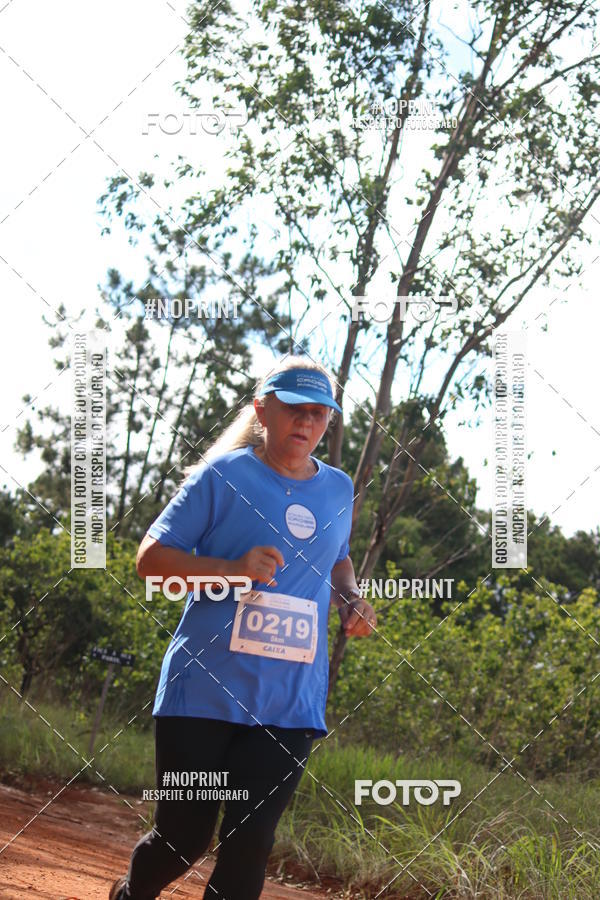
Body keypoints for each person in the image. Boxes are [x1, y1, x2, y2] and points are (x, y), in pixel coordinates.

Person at [110, 356, 377, 900]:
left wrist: (351, 597)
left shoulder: (338, 489)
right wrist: (231, 571)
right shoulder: (223, 477)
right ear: (262, 410)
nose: (306, 422)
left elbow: (338, 557)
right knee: (183, 839)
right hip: (204, 692)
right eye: (293, 410)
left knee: (250, 842)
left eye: (319, 413)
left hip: (290, 701)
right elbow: (151, 559)